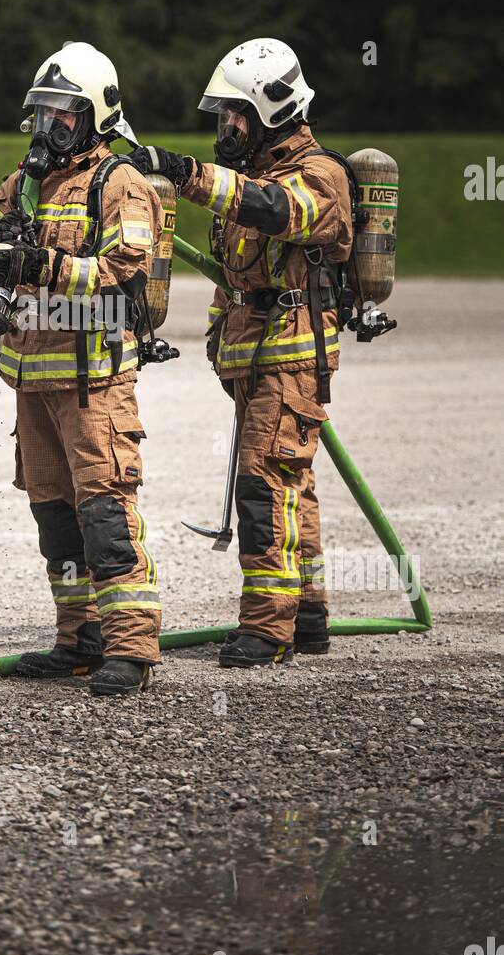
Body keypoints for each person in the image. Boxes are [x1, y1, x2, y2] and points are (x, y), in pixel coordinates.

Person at [131, 38, 353, 667]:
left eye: (237, 115)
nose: (225, 127)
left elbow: (281, 213)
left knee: (264, 487)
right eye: (223, 115)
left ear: (273, 110)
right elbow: (234, 279)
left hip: (291, 356)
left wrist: (189, 176)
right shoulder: (249, 179)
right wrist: (216, 338)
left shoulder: (320, 175)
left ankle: (266, 629)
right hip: (253, 357)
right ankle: (306, 617)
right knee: (291, 487)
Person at [0, 41, 163, 695]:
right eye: (42, 113)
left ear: (95, 115)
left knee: (103, 515)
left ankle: (131, 648)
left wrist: (37, 266)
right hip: (32, 384)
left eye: (63, 114)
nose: (49, 127)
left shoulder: (118, 183)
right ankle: (77, 640)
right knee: (55, 520)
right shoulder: (22, 183)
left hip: (92, 383)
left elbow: (117, 270)